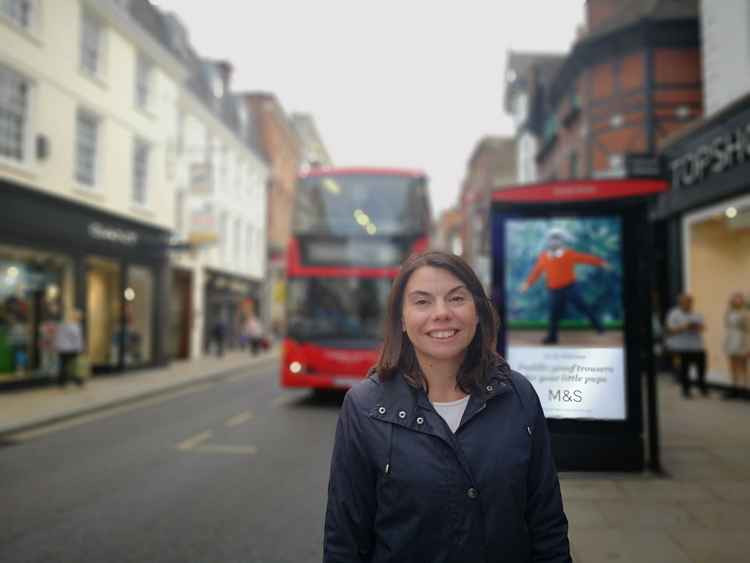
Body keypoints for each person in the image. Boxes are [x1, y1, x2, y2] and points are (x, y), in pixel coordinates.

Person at [323, 251, 571, 563]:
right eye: (422, 301)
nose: (441, 313)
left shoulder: (518, 395)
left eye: (456, 298)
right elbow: (344, 541)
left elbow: (547, 526)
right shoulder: (363, 408)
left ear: (477, 311)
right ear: (401, 319)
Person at [519, 227, 610, 345]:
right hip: (554, 290)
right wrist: (527, 284)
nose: (554, 241)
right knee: (554, 314)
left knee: (583, 307)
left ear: (561, 241)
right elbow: (536, 272)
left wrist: (601, 262)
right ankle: (552, 338)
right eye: (552, 239)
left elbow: (585, 258)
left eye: (557, 239)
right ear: (549, 241)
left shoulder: (568, 254)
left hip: (570, 287)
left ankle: (599, 327)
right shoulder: (544, 257)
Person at [665, 293, 707, 398]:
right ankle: (686, 391)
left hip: (697, 346)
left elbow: (703, 328)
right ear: (680, 303)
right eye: (685, 302)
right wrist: (683, 327)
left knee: (701, 369)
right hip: (681, 347)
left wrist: (698, 327)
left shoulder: (697, 314)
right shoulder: (673, 314)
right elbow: (670, 330)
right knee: (684, 370)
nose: (688, 304)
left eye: (689, 302)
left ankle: (702, 389)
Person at [723, 292, 748, 399]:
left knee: (743, 366)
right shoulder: (729, 312)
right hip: (731, 339)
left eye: (739, 299)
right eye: (734, 299)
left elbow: (747, 328)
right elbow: (727, 325)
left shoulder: (746, 313)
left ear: (742, 301)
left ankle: (744, 389)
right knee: (732, 366)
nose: (736, 301)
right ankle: (734, 388)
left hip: (743, 340)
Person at [55, 309, 84, 387]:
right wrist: (80, 348)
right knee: (73, 365)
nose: (80, 318)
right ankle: (77, 381)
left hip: (63, 348)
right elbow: (76, 339)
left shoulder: (62, 325)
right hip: (71, 349)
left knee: (64, 365)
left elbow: (58, 337)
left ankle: (62, 381)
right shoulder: (74, 326)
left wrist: (57, 346)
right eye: (79, 316)